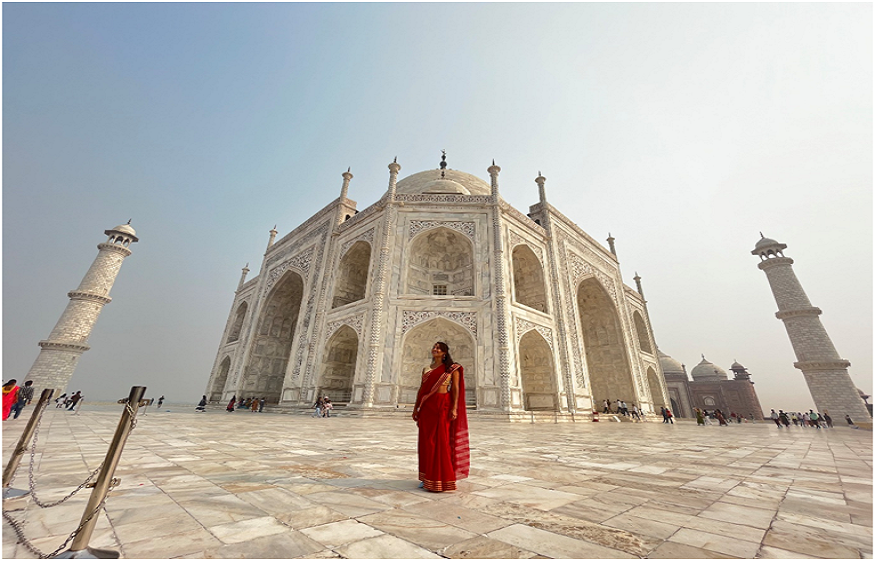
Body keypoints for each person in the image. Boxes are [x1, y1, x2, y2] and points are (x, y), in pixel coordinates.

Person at [412, 341, 469, 492]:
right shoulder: (426, 369)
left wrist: (454, 407)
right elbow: (421, 389)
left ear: (444, 352)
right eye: (434, 347)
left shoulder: (452, 368)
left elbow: (455, 389)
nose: (435, 349)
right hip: (427, 407)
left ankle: (441, 478)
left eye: (438, 348)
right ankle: (426, 477)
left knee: (440, 442)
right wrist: (415, 408)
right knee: (426, 442)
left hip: (442, 406)